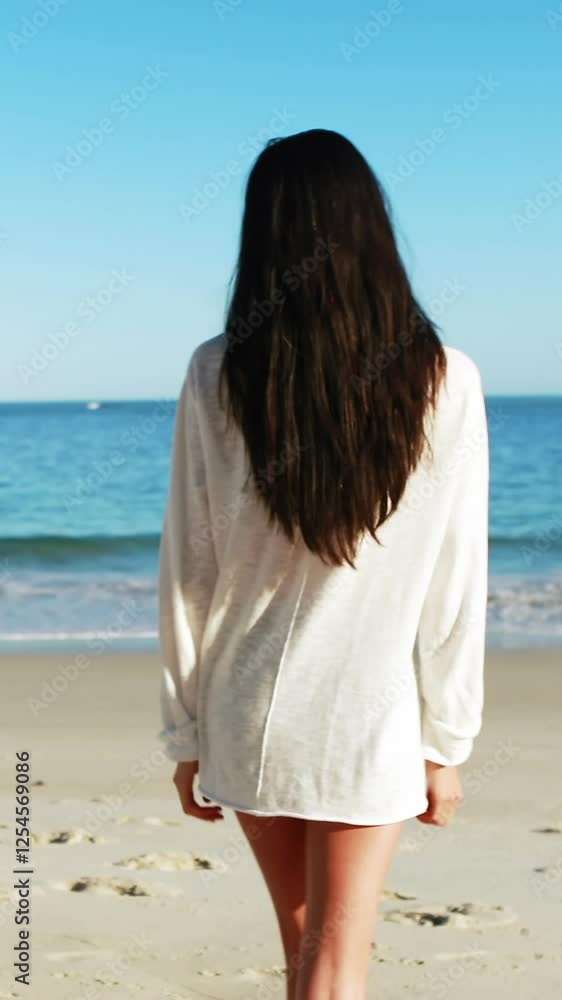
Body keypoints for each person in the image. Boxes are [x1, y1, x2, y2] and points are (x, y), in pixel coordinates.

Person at [157, 128, 489, 999]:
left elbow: (190, 564)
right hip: (364, 724)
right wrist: (444, 741)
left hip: (245, 709)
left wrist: (187, 727)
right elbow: (457, 578)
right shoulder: (445, 380)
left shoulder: (219, 372)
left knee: (306, 954)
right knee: (335, 969)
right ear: (371, 228)